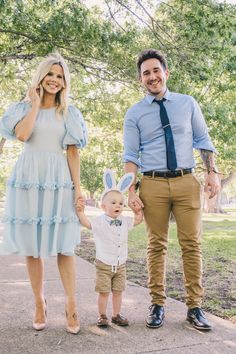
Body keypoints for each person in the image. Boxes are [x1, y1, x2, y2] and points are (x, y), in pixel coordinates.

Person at [123, 49, 221, 331]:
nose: (152, 77)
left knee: (192, 245)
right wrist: (131, 191)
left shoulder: (187, 103)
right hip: (152, 183)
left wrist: (211, 173)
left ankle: (195, 307)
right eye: (146, 73)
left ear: (166, 72)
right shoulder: (135, 113)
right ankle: (157, 304)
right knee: (156, 245)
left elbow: (203, 138)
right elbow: (130, 156)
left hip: (186, 181)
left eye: (156, 70)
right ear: (140, 79)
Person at [0, 53, 88, 334]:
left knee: (65, 245)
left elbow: (72, 153)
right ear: (41, 76)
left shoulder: (70, 113)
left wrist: (77, 189)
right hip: (28, 179)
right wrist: (36, 104)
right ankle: (39, 302)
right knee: (31, 247)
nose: (54, 80)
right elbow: (23, 136)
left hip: (58, 180)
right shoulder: (22, 108)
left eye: (60, 76)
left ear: (65, 83)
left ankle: (71, 305)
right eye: (50, 74)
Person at [76, 169, 143, 327]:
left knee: (118, 292)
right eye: (113, 203)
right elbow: (87, 223)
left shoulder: (125, 220)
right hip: (104, 264)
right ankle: (102, 315)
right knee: (104, 292)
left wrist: (137, 211)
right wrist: (80, 212)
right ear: (103, 206)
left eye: (120, 203)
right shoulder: (100, 221)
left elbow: (138, 221)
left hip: (121, 265)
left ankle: (116, 314)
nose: (117, 205)